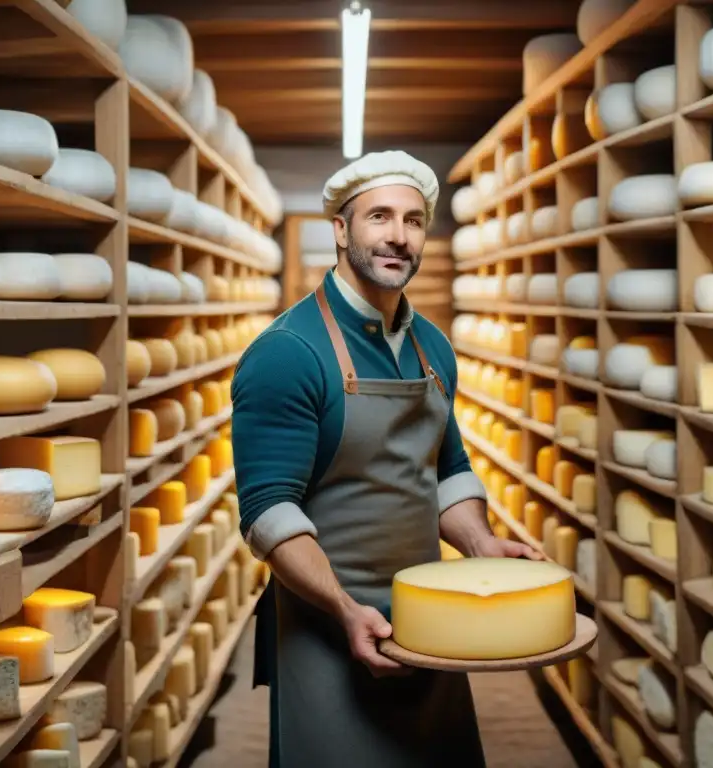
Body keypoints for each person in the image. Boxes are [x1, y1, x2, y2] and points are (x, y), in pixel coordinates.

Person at [231, 150, 540, 768]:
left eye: (414, 220)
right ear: (341, 231)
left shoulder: (433, 347)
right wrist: (345, 610)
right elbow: (268, 512)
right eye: (378, 216)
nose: (398, 235)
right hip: (329, 623)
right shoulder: (288, 353)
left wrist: (479, 543)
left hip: (428, 620)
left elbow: (446, 470)